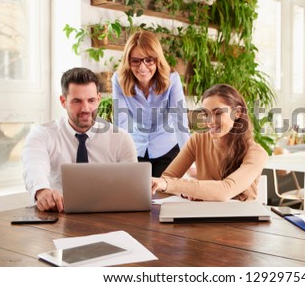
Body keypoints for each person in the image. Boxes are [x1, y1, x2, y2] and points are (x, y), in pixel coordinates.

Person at [22, 68, 137, 212]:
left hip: (108, 215)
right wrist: (42, 191)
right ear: (63, 101)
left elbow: (132, 187)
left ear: (99, 99)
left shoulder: (121, 138)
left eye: (91, 100)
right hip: (58, 214)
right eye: (77, 101)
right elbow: (34, 168)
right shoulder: (42, 135)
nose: (86, 108)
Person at [152, 84, 268, 201]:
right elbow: (166, 179)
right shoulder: (198, 140)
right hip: (205, 214)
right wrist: (185, 193)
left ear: (237, 113)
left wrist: (183, 187)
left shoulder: (256, 153)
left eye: (218, 113)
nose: (210, 121)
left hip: (242, 217)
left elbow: (225, 191)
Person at [112, 30, 190, 177]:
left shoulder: (172, 79)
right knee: (135, 195)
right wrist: (116, 158)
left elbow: (180, 123)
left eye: (149, 60)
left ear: (157, 59)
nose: (142, 68)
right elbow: (121, 122)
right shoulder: (119, 79)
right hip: (136, 148)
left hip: (167, 148)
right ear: (128, 61)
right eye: (136, 60)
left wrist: (190, 161)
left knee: (165, 196)